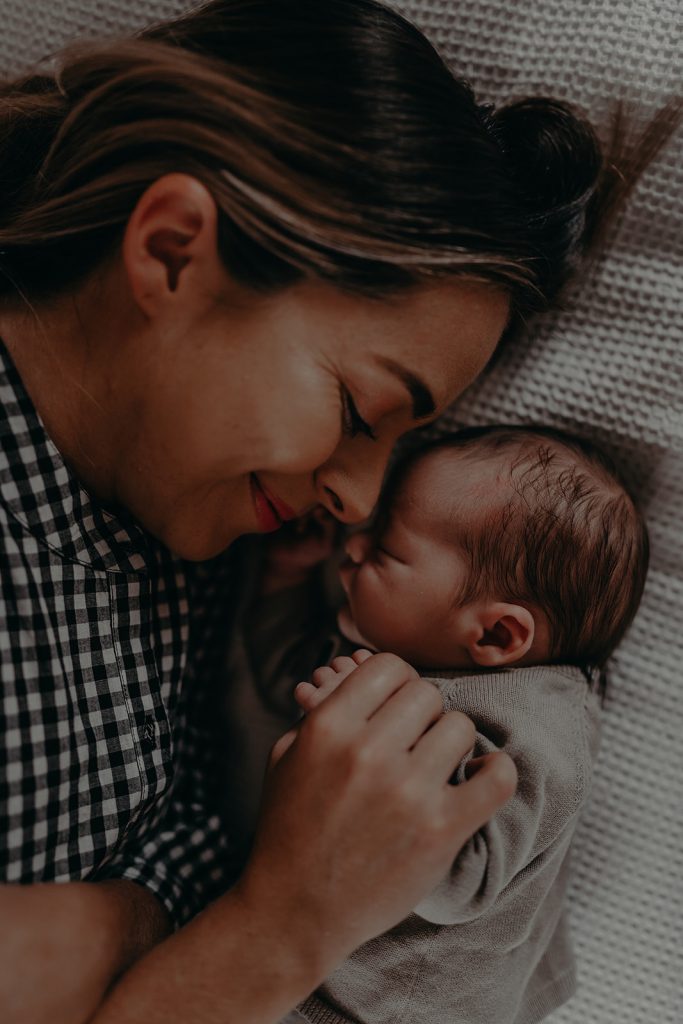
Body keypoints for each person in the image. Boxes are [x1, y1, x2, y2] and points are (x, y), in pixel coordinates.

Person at [0, 0, 672, 1021]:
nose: (359, 499)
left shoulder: (208, 547)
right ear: (175, 250)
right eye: (359, 409)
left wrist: (109, 936)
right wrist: (284, 924)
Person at [222, 425, 649, 1023]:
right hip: (288, 961)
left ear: (495, 634)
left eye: (387, 551)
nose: (353, 546)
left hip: (388, 1006)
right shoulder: (400, 653)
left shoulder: (535, 731)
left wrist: (372, 756)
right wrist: (287, 581)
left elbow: (464, 875)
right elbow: (280, 685)